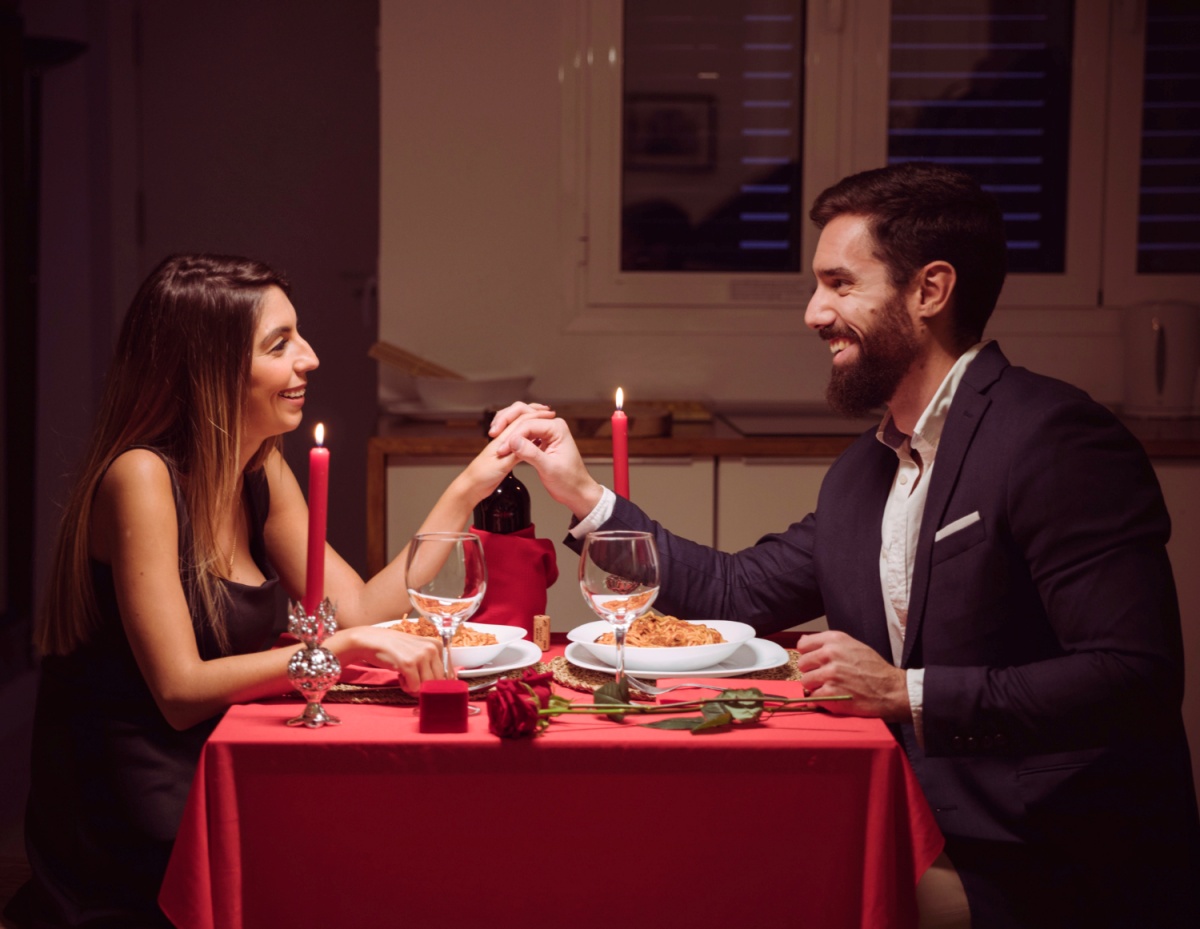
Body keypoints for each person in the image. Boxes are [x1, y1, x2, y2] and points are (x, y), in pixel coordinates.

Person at [488, 163, 1200, 928]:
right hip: (914, 826)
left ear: (929, 290)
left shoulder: (1054, 438)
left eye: (839, 284)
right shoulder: (865, 470)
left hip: (1047, 868)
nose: (812, 312)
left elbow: (1133, 675)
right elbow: (737, 594)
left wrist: (906, 691)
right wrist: (582, 493)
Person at [4, 254, 551, 928]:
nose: (311, 358)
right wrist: (344, 647)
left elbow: (359, 607)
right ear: (212, 367)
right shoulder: (141, 478)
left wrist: (473, 481)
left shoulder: (258, 469)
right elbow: (178, 692)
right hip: (141, 819)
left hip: (226, 769)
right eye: (280, 343)